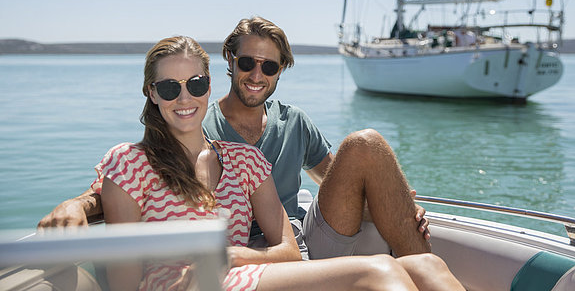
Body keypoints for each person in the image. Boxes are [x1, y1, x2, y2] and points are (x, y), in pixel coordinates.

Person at [39, 17, 430, 259]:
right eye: (247, 62)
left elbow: (337, 183)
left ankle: (426, 265)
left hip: (301, 240)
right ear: (228, 62)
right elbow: (129, 177)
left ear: (280, 72)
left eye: (270, 66)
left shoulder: (294, 121)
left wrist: (396, 206)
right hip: (236, 251)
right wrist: (78, 205)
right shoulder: (194, 123)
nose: (256, 74)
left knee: (365, 143)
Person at [96, 35, 464, 290]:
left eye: (194, 84)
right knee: (378, 271)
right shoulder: (129, 163)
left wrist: (231, 256)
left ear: (208, 85)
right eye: (168, 88)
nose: (184, 97)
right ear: (151, 92)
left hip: (246, 272)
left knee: (426, 266)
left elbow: (290, 248)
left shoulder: (244, 159)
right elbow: (126, 282)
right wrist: (80, 204)